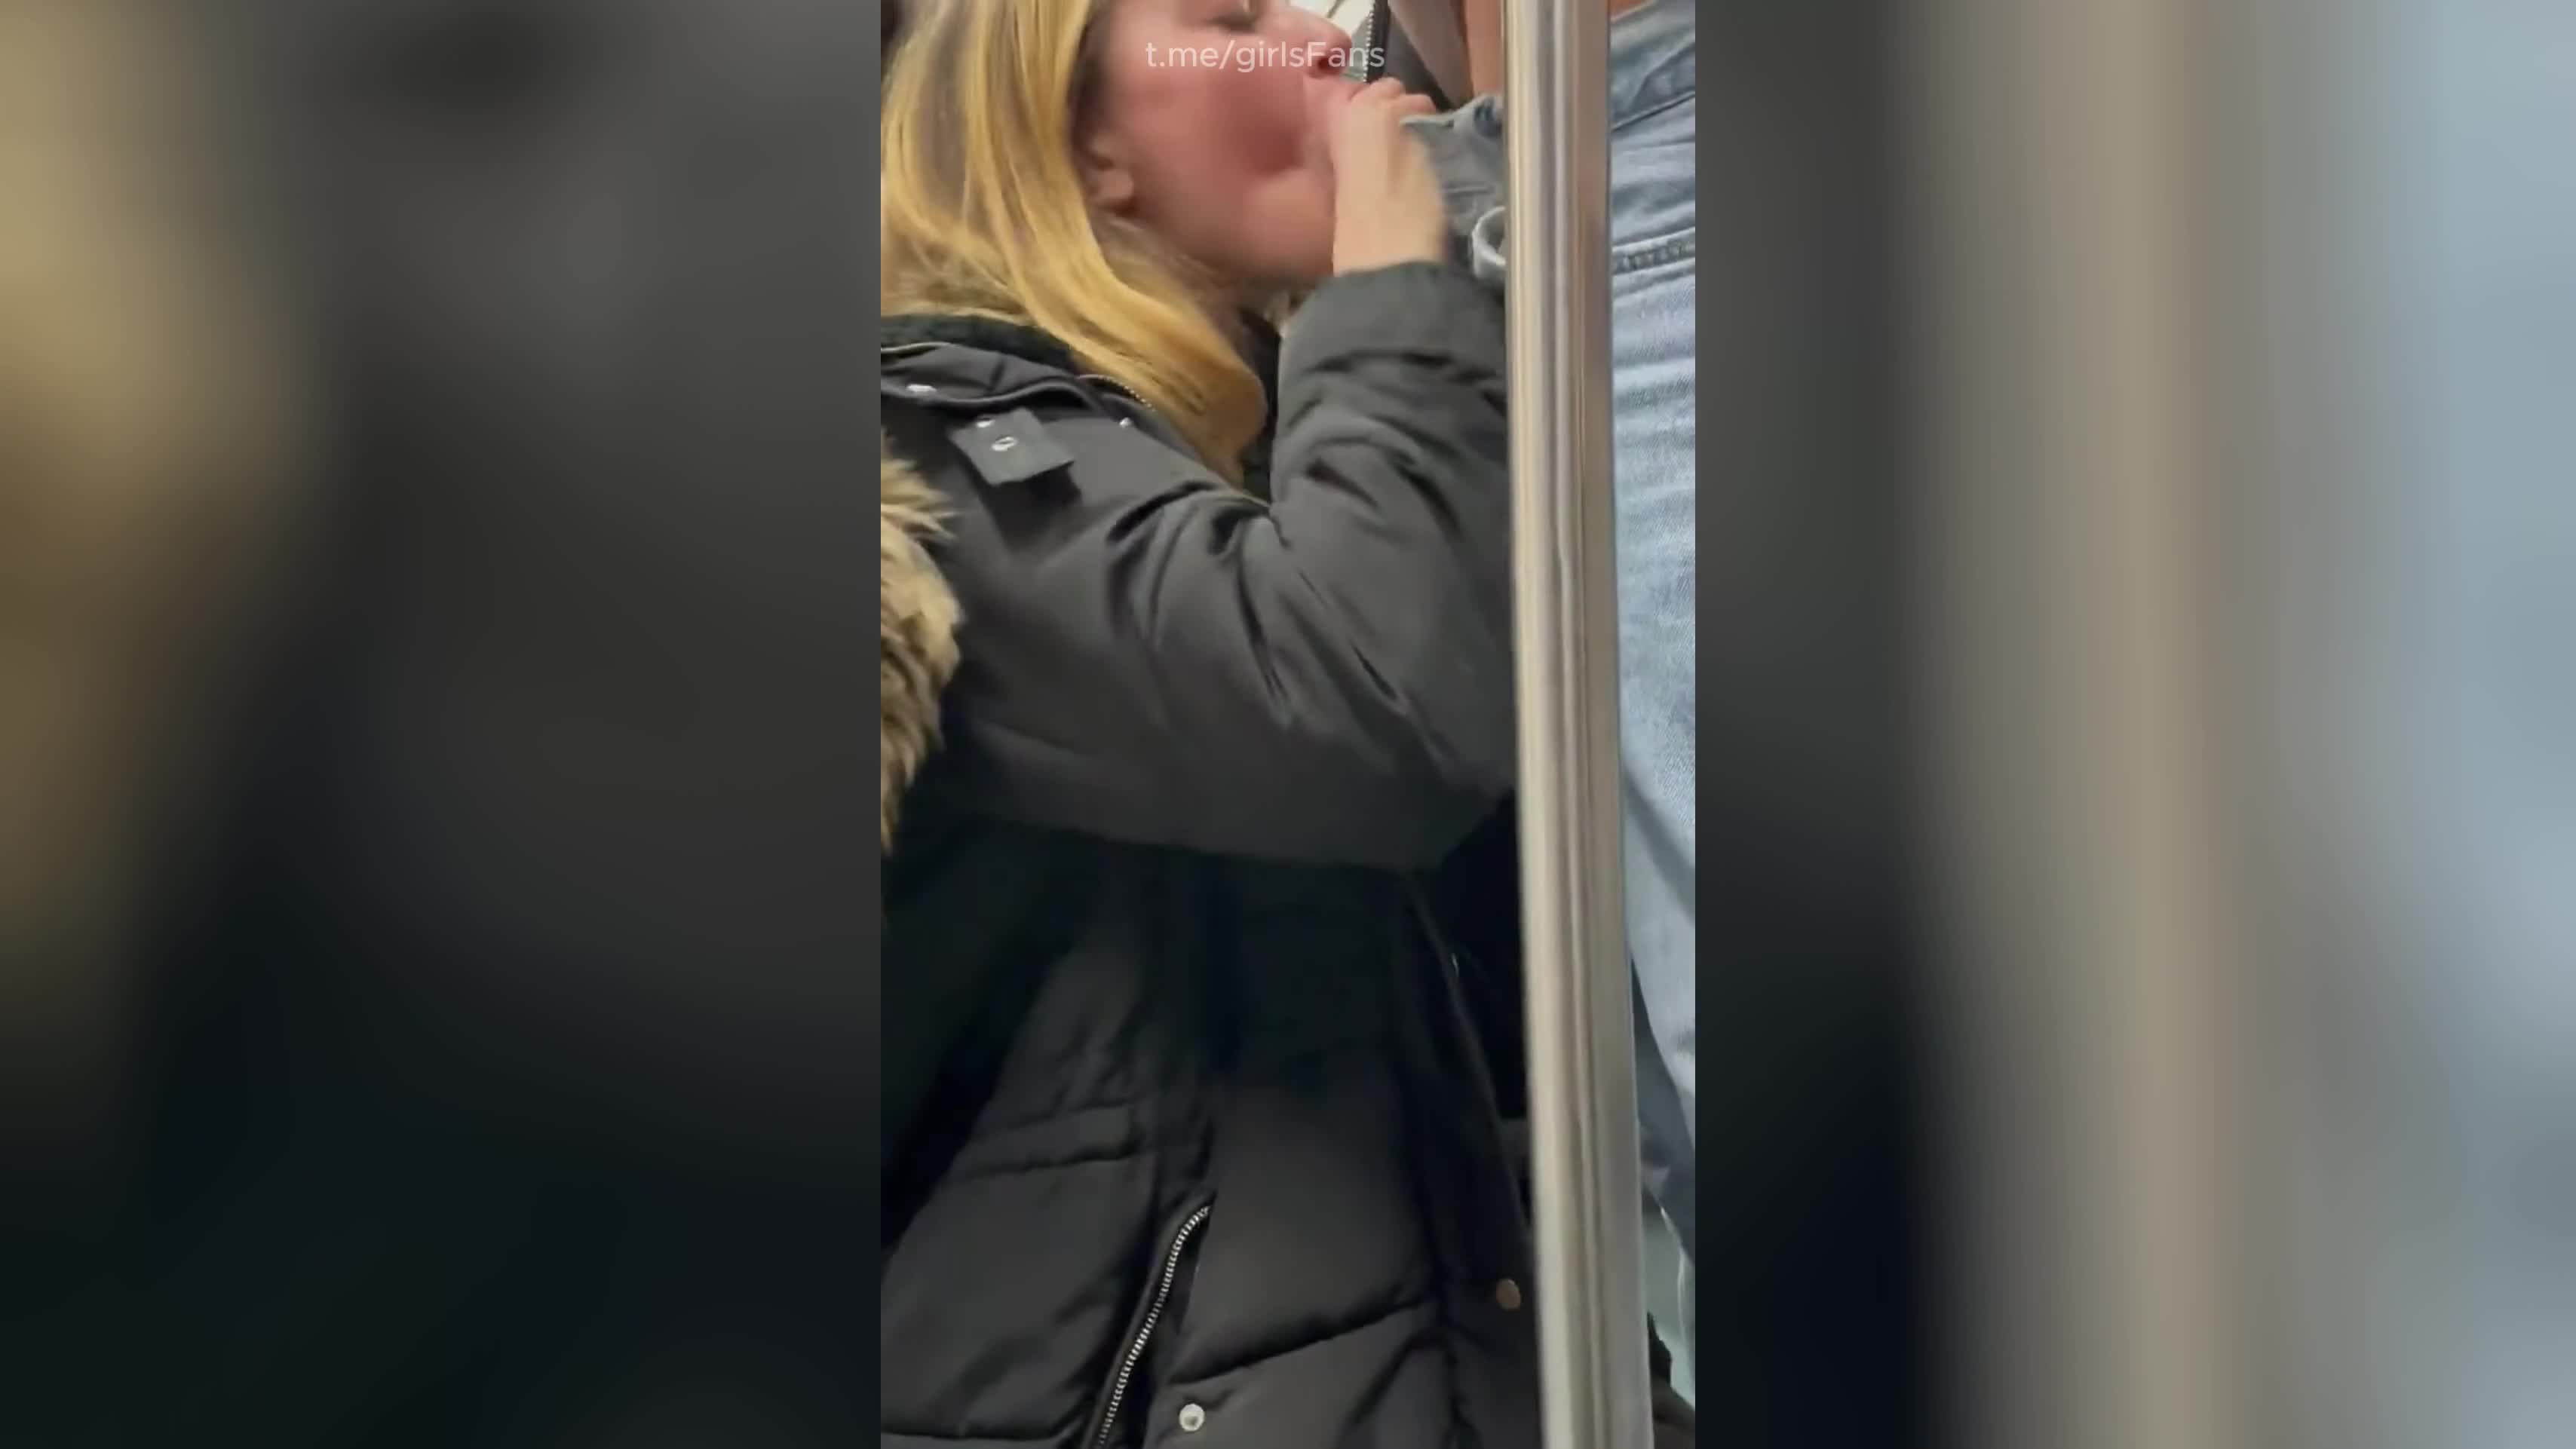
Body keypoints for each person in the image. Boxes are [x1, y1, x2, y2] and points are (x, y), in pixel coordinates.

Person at [878, 0, 1560, 1443]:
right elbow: (1372, 711)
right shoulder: (941, 472)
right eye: (1229, 18)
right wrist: (1393, 286)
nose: (1322, 44)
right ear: (1082, 142)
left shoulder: (1248, 475)